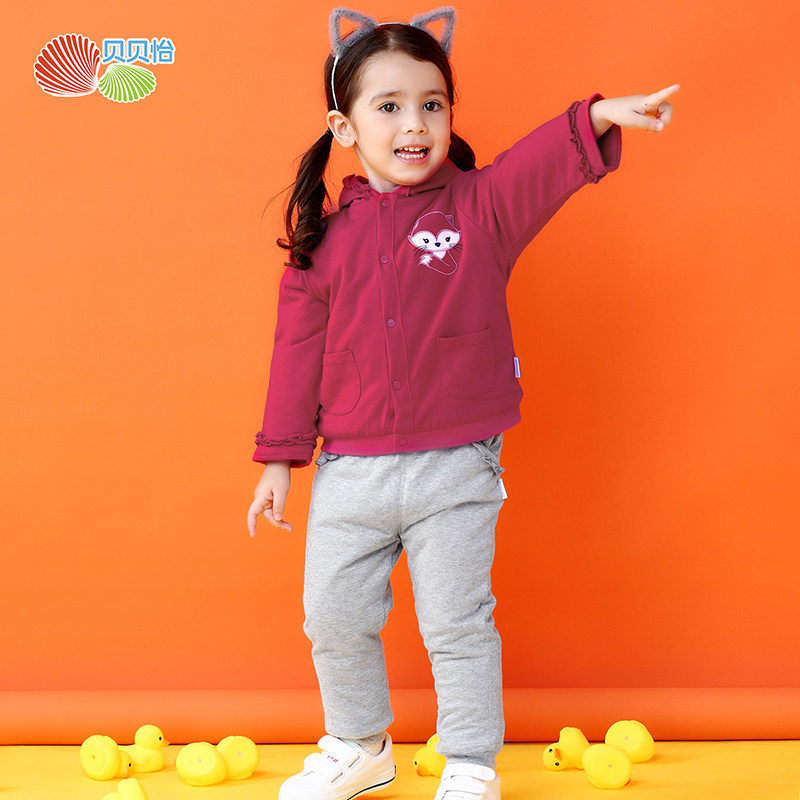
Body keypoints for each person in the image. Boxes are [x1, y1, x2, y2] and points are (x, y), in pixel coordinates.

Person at [247, 6, 678, 800]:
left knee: (457, 620)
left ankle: (472, 759)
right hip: (350, 471)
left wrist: (598, 117)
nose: (415, 124)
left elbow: (539, 164)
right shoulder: (320, 242)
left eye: (432, 104)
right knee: (332, 616)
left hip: (456, 465)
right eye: (389, 106)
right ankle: (359, 745)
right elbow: (295, 354)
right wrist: (278, 461)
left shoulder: (482, 209)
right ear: (343, 127)